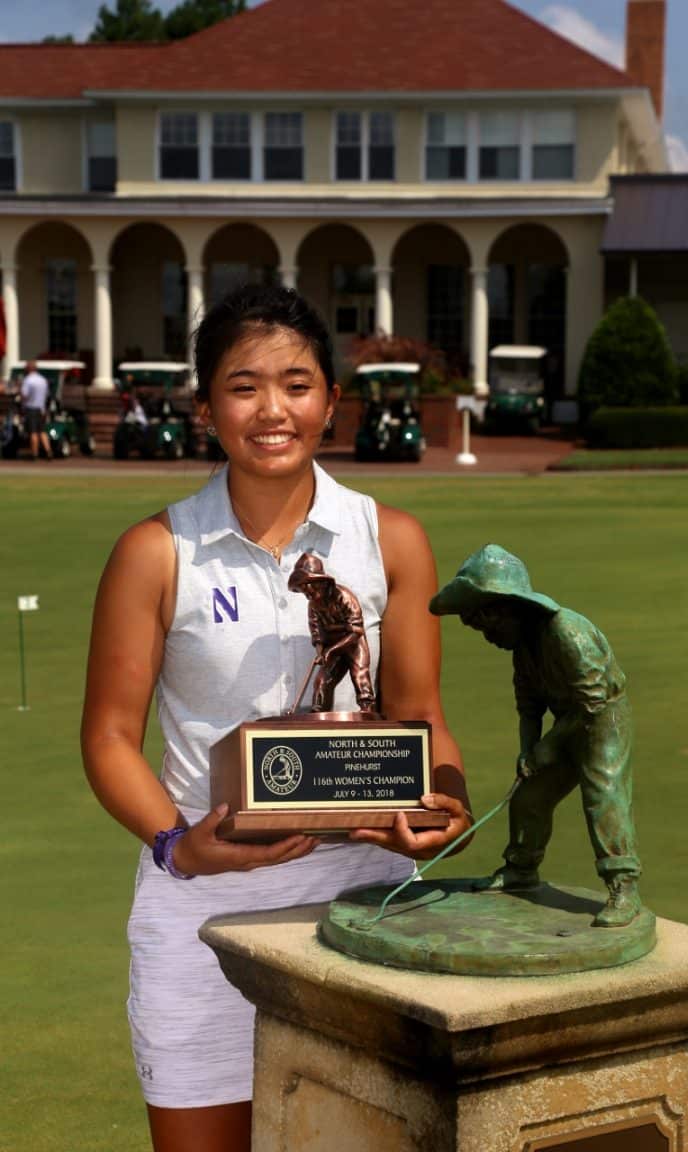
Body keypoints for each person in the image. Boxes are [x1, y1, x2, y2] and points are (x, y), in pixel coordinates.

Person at [81, 283, 471, 1152]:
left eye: (297, 384)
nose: (272, 409)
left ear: (331, 401)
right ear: (206, 405)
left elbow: (421, 714)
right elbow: (109, 738)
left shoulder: (391, 539)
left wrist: (446, 803)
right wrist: (176, 844)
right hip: (203, 913)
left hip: (362, 906)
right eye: (243, 385)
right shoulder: (156, 551)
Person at [430, 544, 642, 930]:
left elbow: (592, 705)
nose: (487, 636)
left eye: (488, 626)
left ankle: (623, 886)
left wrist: (547, 746)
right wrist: (529, 750)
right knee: (529, 796)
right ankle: (521, 870)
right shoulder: (523, 647)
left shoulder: (566, 632)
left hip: (602, 719)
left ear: (508, 610)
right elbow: (529, 706)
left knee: (603, 792)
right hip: (569, 720)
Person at [287, 551, 376, 712]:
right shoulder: (313, 605)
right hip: (332, 646)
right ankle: (319, 713)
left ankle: (366, 709)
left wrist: (330, 650)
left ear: (321, 582)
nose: (308, 594)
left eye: (309, 587)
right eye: (303, 591)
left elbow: (356, 631)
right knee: (322, 680)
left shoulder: (344, 597)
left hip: (353, 643)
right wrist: (321, 651)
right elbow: (317, 633)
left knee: (359, 675)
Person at [20, 360, 53, 459]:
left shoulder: (28, 380)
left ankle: (34, 453)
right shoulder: (42, 380)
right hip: (41, 409)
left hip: (31, 408)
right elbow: (47, 395)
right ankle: (48, 451)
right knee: (42, 431)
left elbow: (24, 395)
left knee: (33, 432)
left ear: (28, 369)